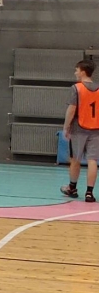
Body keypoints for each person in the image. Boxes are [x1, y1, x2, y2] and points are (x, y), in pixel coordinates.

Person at [60, 59, 99, 203]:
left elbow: (72, 109)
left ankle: (72, 188)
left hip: (79, 128)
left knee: (75, 159)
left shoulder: (77, 88)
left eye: (76, 70)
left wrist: (66, 126)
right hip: (96, 128)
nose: (75, 73)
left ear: (82, 71)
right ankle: (89, 193)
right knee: (93, 160)